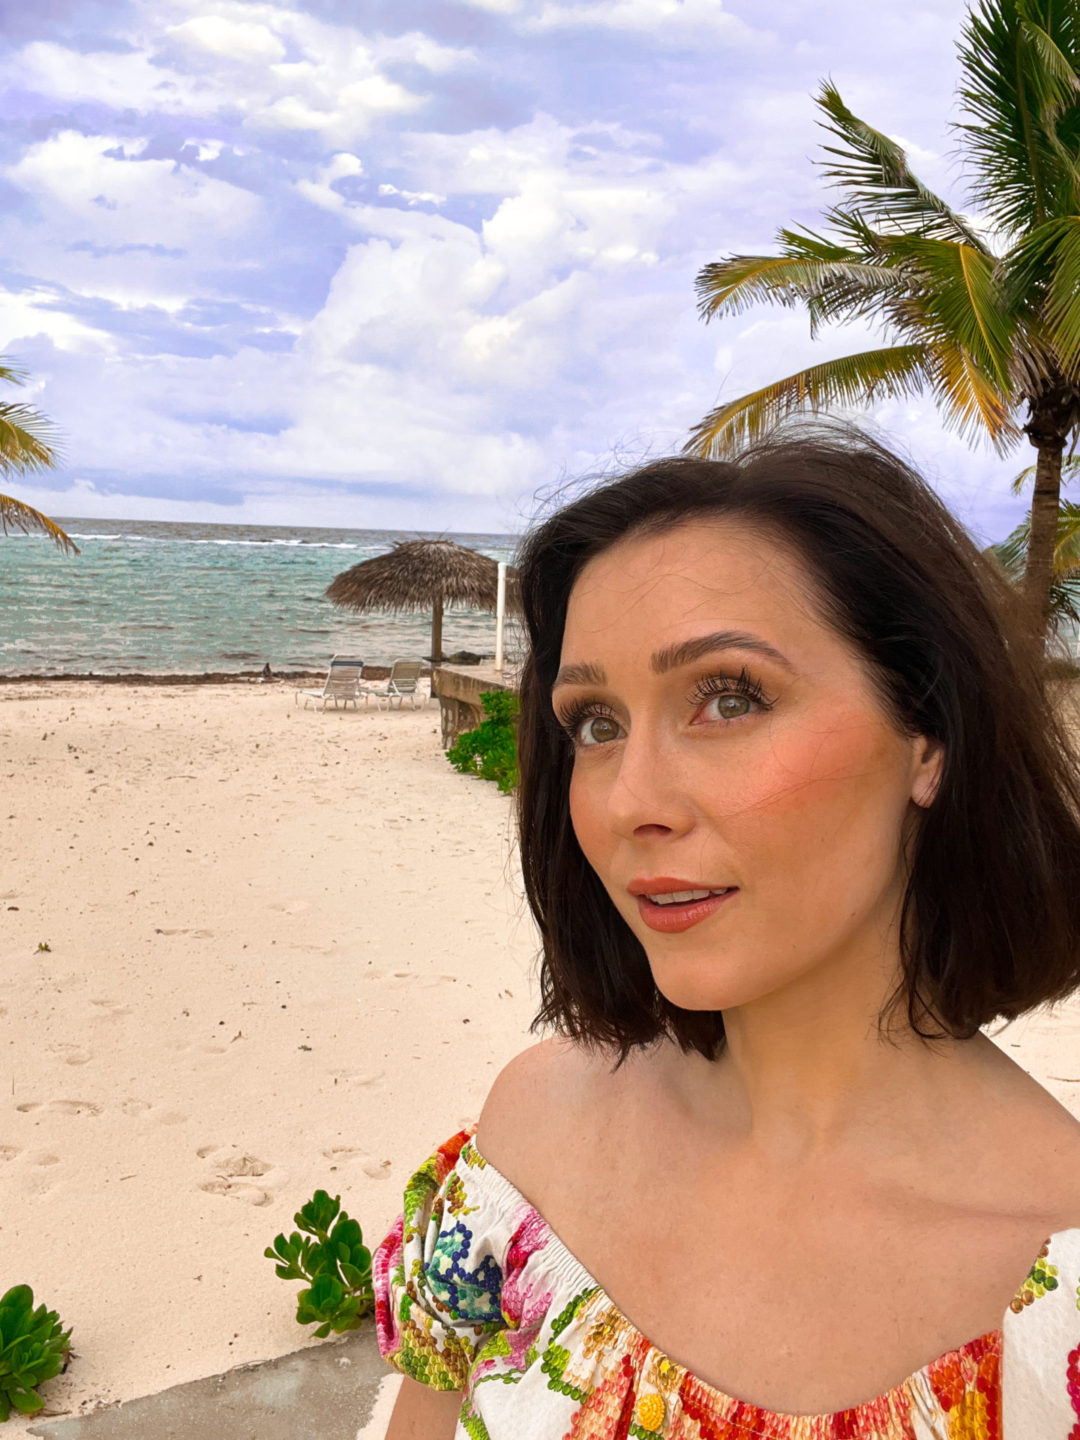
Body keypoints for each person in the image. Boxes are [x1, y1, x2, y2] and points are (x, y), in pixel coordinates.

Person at [376, 423, 1080, 1439]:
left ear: (928, 737)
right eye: (596, 723)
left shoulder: (1051, 1306)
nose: (631, 803)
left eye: (729, 698)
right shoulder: (527, 1151)